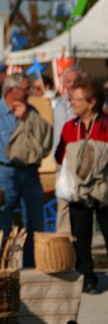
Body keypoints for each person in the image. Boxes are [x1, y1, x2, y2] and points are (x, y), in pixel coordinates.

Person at [0, 73, 52, 268]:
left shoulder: (31, 111)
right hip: (3, 174)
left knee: (35, 225)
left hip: (30, 173)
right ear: (11, 91)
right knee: (3, 227)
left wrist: (27, 117)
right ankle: (2, 271)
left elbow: (45, 140)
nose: (30, 93)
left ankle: (32, 269)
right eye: (26, 89)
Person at [54, 79, 108, 294]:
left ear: (92, 102)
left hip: (104, 190)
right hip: (78, 191)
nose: (72, 103)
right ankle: (87, 277)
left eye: (76, 99)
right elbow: (59, 155)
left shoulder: (106, 125)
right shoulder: (71, 127)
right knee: (80, 236)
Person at [52, 68, 83, 234]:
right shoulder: (57, 104)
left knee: (79, 204)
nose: (72, 84)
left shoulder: (82, 104)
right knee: (63, 200)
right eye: (69, 81)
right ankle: (63, 240)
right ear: (63, 83)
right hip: (61, 160)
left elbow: (77, 125)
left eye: (75, 81)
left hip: (78, 160)